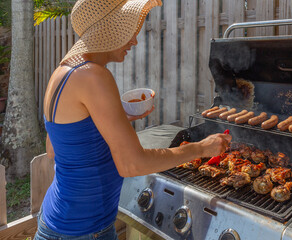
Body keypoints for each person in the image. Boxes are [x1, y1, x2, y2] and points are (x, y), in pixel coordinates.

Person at [34, 0, 232, 239]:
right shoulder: (94, 76)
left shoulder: (62, 73)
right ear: (108, 32)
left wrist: (117, 118)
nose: (134, 40)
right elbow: (132, 164)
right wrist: (201, 148)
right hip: (82, 230)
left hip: (57, 221)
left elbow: (55, 148)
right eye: (128, 32)